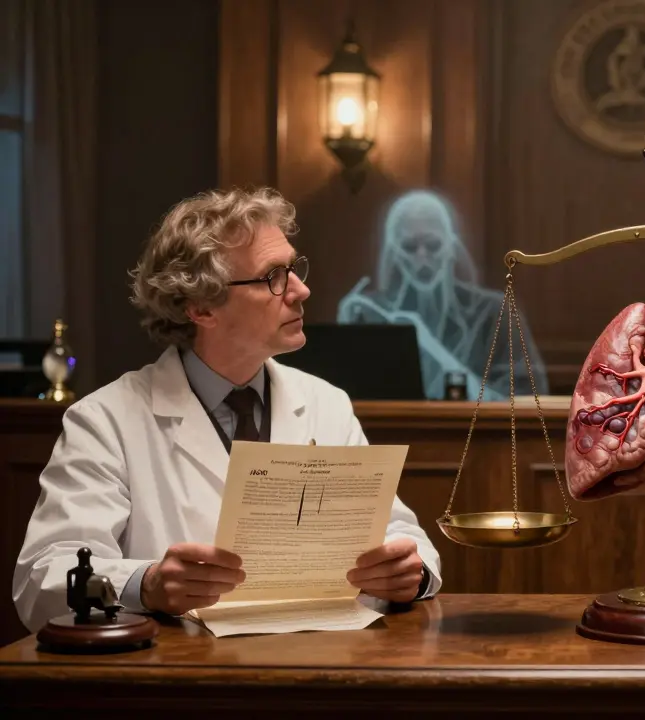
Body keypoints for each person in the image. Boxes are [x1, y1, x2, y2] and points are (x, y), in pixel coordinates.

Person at [12, 188, 443, 632]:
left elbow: (407, 542)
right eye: (274, 276)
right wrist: (147, 584)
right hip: (183, 682)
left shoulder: (325, 404)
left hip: (324, 671)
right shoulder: (106, 420)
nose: (300, 289)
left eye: (294, 268)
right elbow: (41, 579)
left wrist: (410, 574)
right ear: (200, 307)